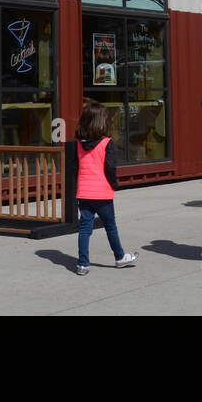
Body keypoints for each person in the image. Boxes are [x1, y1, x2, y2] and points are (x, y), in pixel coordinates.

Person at [74, 103, 137, 274]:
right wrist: (114, 184)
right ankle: (119, 257)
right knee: (110, 226)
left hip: (84, 192)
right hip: (102, 192)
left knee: (85, 228)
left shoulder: (79, 143)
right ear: (103, 122)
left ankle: (82, 264)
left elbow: (75, 167)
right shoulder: (107, 143)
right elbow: (110, 167)